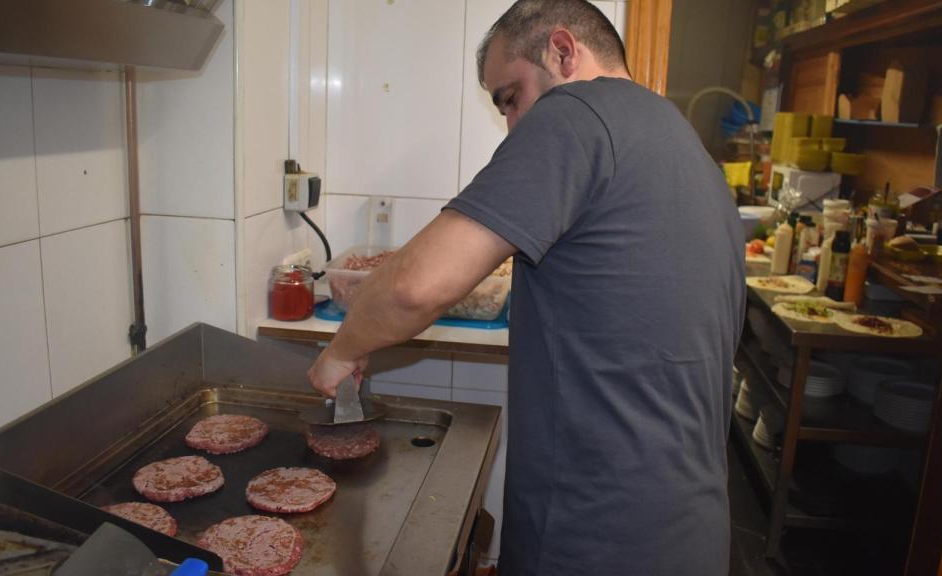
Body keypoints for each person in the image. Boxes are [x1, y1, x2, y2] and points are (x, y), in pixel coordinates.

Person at [308, 0, 745, 573]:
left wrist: (342, 350)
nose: (513, 125)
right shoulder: (686, 146)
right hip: (693, 531)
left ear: (563, 51)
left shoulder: (575, 115)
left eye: (510, 98)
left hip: (595, 534)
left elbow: (414, 287)